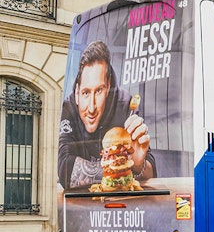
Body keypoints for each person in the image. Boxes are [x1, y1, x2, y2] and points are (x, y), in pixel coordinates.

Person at [58, 40, 156, 190]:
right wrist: (123, 167)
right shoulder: (69, 106)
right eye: (85, 93)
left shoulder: (126, 105)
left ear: (108, 85)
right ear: (77, 91)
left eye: (99, 91)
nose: (91, 108)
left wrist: (138, 165)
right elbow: (65, 170)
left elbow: (151, 171)